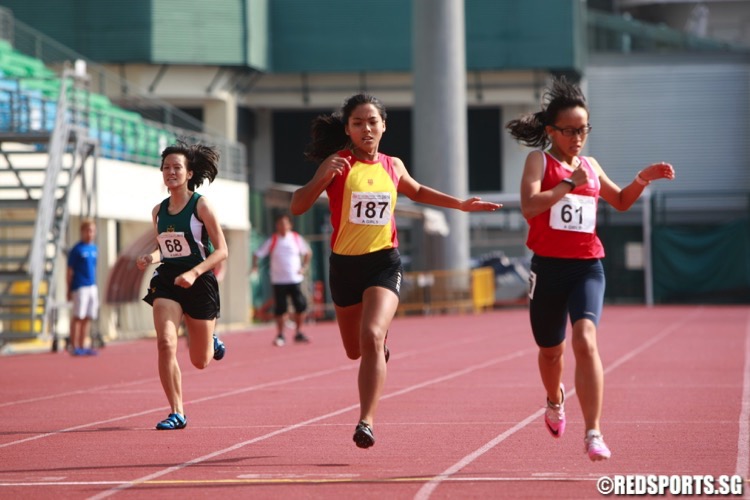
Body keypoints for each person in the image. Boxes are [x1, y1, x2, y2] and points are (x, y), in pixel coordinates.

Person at [291, 93, 501, 449]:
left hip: (383, 263)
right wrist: (320, 178)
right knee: (354, 351)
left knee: (372, 336)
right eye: (358, 123)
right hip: (344, 266)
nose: (366, 129)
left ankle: (366, 421)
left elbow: (416, 191)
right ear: (348, 129)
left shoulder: (393, 165)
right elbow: (297, 207)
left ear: (384, 126)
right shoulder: (338, 164)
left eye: (372, 122)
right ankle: (376, 351)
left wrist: (460, 205)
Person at [506, 77, 675, 461]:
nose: (578, 138)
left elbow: (619, 202)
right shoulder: (540, 161)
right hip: (548, 269)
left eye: (583, 130)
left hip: (587, 266)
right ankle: (554, 399)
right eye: (570, 131)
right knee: (551, 352)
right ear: (551, 131)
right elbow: (530, 207)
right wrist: (567, 183)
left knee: (585, 340)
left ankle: (594, 432)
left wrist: (642, 179)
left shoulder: (591, 165)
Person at [136, 140, 229, 431]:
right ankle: (177, 412)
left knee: (200, 361)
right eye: (166, 168)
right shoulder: (158, 211)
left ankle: (210, 339)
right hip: (168, 282)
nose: (170, 172)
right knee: (165, 343)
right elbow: (164, 248)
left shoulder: (201, 205)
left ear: (189, 173)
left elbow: (221, 250)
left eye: (177, 167)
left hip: (199, 282)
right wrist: (149, 257)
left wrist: (195, 272)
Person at [251, 212, 312, 346]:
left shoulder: (296, 238)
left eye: (285, 223)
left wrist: (304, 267)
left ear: (290, 225)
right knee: (280, 308)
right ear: (276, 226)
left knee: (300, 306)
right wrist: (254, 267)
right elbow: (257, 254)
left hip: (295, 279)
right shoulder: (273, 240)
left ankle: (299, 332)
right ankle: (280, 334)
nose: (283, 226)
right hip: (279, 280)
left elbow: (307, 252)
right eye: (280, 223)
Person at [66, 218, 99, 356]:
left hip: (92, 286)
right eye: (88, 230)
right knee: (78, 316)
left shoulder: (94, 248)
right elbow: (69, 271)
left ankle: (82, 344)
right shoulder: (76, 249)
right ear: (82, 231)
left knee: (88, 316)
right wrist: (68, 289)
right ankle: (74, 346)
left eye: (92, 231)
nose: (90, 233)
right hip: (80, 287)